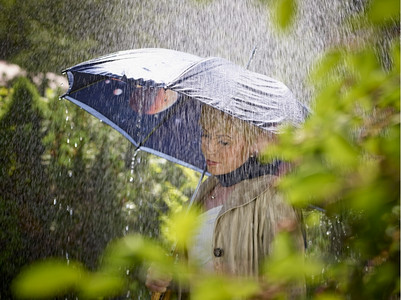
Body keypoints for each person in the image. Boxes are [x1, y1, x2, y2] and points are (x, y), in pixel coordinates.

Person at [146, 105, 304, 299]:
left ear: (252, 143)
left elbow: (290, 285)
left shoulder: (273, 197)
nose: (210, 148)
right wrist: (165, 278)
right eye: (205, 135)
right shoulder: (202, 193)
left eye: (224, 141)